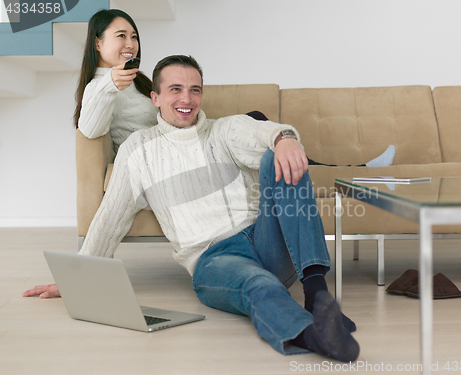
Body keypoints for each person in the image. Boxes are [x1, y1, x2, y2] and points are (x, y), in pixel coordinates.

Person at [24, 55, 360, 362]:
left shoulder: (223, 129)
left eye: (194, 90)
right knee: (259, 285)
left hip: (265, 241)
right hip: (214, 259)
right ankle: (312, 334)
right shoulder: (138, 151)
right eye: (175, 89)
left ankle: (317, 293)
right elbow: (110, 219)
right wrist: (77, 279)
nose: (186, 99)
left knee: (281, 153)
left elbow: (263, 132)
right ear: (155, 98)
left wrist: (285, 137)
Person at [74, 9, 158, 152]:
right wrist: (109, 85)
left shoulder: (138, 80)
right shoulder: (97, 87)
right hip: (143, 162)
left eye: (134, 37)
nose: (131, 44)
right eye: (121, 36)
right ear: (97, 44)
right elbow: (88, 132)